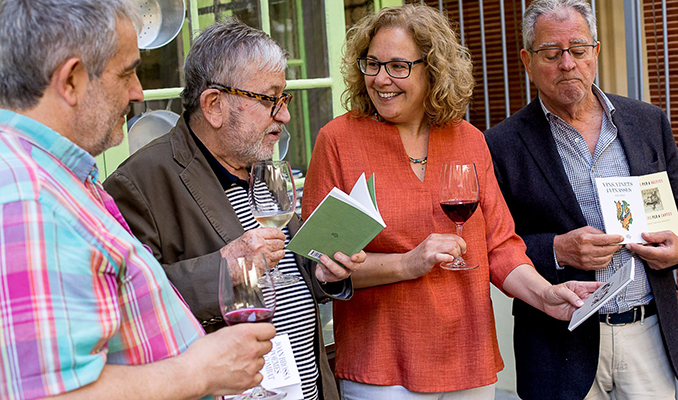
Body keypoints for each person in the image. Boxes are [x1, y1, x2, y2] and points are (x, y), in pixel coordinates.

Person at [301, 4, 601, 400]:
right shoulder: (337, 141)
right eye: (371, 64)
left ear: (433, 70)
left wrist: (545, 295)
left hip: (469, 358)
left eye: (398, 66)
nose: (380, 79)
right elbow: (318, 263)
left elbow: (500, 245)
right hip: (383, 365)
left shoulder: (469, 140)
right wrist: (407, 263)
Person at [0, 1, 277, 400]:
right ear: (72, 80)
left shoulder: (50, 176)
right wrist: (199, 371)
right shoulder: (29, 200)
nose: (137, 92)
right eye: (127, 72)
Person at [103, 19, 365, 400]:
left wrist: (323, 274)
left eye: (285, 98)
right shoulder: (139, 184)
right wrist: (228, 267)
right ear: (214, 105)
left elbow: (288, 272)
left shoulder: (262, 165)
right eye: (270, 99)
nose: (285, 115)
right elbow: (131, 309)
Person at [484, 0, 678, 399]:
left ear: (596, 51)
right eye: (552, 53)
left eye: (578, 49)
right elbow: (493, 244)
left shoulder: (648, 121)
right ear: (527, 59)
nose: (567, 63)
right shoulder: (500, 145)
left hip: (650, 332)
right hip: (559, 344)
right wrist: (557, 249)